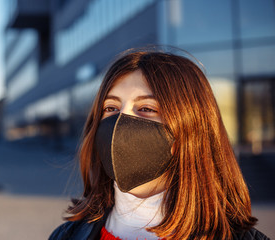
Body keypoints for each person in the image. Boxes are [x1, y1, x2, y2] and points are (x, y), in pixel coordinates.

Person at [49, 48, 269, 240]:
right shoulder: (66, 235)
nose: (119, 123)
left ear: (192, 128)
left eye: (146, 109)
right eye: (111, 109)